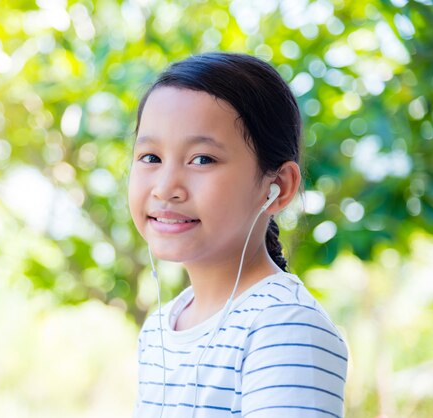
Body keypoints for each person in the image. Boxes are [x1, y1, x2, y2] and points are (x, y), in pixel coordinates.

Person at [127, 52, 348, 418]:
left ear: (277, 186)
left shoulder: (284, 325)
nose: (166, 188)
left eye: (202, 159)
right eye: (150, 157)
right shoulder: (160, 330)